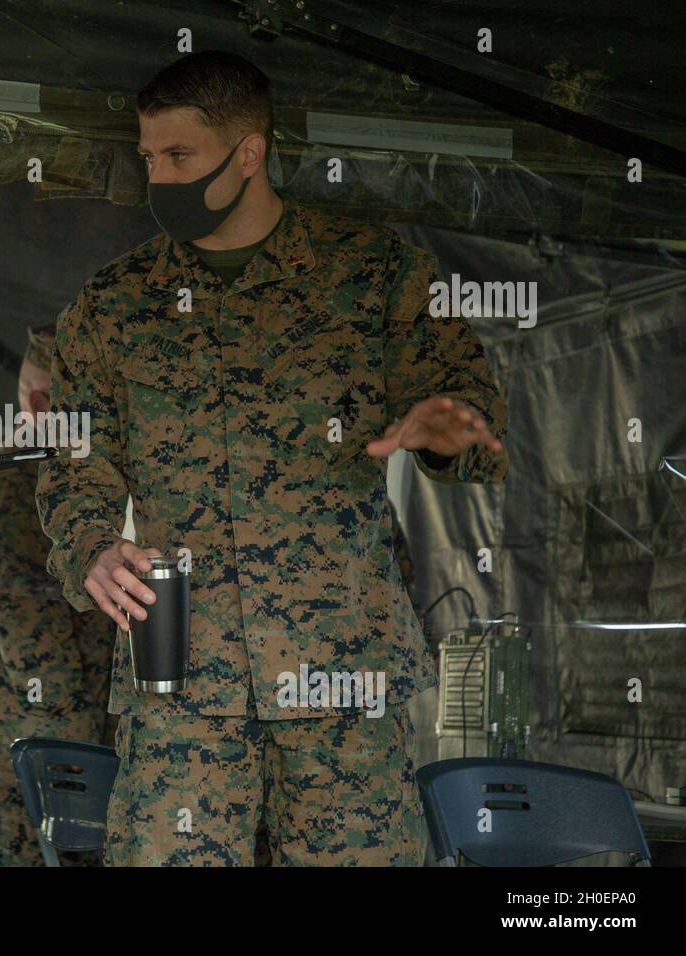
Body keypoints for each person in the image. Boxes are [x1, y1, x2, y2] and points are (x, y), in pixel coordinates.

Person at [36, 51, 508, 867]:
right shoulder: (114, 306)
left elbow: (478, 422)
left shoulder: (373, 275)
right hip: (182, 674)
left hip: (341, 673)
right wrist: (90, 546)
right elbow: (77, 455)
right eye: (149, 157)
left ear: (247, 152)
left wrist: (449, 431)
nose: (158, 177)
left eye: (178, 156)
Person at [0, 325, 115, 866]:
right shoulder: (22, 482)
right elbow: (26, 614)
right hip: (26, 725)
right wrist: (78, 734)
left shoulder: (47, 476)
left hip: (29, 722)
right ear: (43, 404)